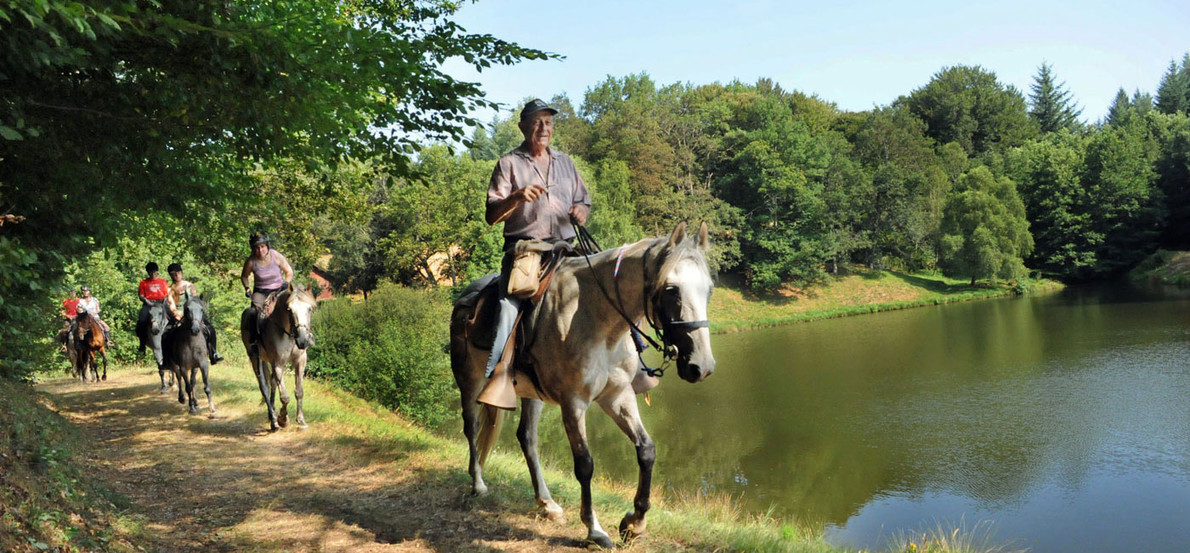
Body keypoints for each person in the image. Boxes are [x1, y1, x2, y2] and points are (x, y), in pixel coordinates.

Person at [480, 98, 591, 408]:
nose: (544, 128)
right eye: (537, 122)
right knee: (508, 304)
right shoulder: (508, 163)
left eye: (549, 122)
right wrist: (516, 196)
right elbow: (491, 216)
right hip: (525, 249)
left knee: (607, 280)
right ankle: (497, 377)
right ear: (523, 127)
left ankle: (633, 363)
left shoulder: (566, 162)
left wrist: (581, 210)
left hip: (566, 249)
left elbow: (584, 200)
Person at [240, 232, 293, 344]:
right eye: (257, 248)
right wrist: (247, 288)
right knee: (255, 312)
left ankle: (301, 335)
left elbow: (289, 271)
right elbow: (244, 276)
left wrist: (286, 282)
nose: (260, 250)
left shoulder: (275, 256)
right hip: (261, 292)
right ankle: (255, 338)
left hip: (279, 289)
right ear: (253, 249)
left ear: (267, 246)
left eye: (262, 246)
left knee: (295, 307)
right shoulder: (251, 261)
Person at [166, 263, 223, 364]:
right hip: (178, 315)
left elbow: (195, 301)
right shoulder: (170, 289)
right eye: (173, 274)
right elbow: (171, 304)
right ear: (170, 275)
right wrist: (177, 315)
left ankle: (213, 353)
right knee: (166, 333)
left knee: (210, 329)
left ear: (181, 273)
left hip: (192, 314)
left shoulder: (190, 286)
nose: (176, 276)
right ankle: (167, 359)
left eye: (178, 273)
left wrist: (192, 314)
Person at [137, 262, 170, 353]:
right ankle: (142, 343)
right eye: (150, 272)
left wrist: (165, 299)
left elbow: (167, 293)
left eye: (154, 272)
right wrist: (146, 300)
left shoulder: (163, 282)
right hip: (149, 304)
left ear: (157, 272)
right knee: (141, 320)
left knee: (174, 316)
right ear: (148, 273)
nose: (152, 274)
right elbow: (141, 295)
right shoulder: (143, 283)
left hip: (162, 303)